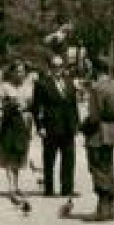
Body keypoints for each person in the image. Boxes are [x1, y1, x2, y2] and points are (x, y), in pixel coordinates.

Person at [81, 54, 114, 222]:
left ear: (95, 69)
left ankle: (102, 209)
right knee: (109, 168)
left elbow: (94, 116)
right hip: (111, 132)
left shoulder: (97, 88)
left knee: (97, 169)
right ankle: (111, 208)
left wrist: (83, 127)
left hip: (97, 134)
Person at [31, 53, 80, 197]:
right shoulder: (42, 84)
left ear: (63, 67)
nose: (57, 69)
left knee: (69, 159)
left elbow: (73, 105)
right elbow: (37, 107)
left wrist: (76, 123)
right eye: (54, 66)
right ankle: (49, 189)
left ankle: (67, 189)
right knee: (49, 160)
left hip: (68, 127)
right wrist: (40, 126)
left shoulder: (70, 83)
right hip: (50, 126)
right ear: (50, 67)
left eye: (60, 66)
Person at [0, 60, 35, 197]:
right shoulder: (5, 86)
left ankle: (16, 185)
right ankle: (11, 186)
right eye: (17, 71)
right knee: (9, 153)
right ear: (12, 72)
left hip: (24, 123)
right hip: (10, 123)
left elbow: (34, 104)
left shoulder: (30, 86)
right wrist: (8, 104)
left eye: (22, 71)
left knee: (20, 153)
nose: (20, 73)